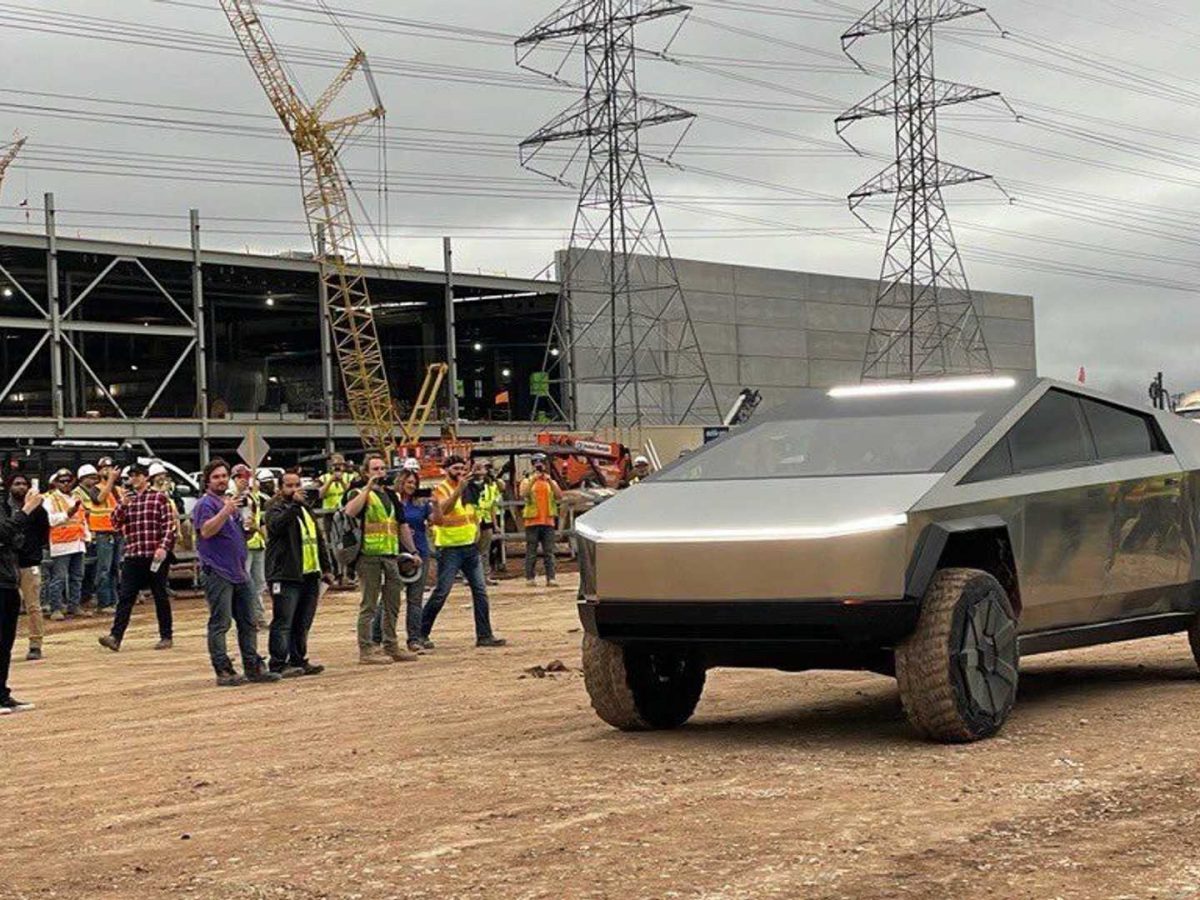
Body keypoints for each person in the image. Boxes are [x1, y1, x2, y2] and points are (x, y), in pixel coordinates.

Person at [193, 459, 281, 686]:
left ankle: (252, 666)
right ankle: (223, 669)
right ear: (208, 481)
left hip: (239, 571)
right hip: (218, 571)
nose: (221, 480)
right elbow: (206, 531)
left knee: (248, 620)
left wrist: (248, 530)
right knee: (220, 622)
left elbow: (237, 536)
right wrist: (226, 511)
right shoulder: (206, 504)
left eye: (224, 476)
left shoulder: (230, 503)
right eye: (216, 477)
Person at [420, 455, 506, 648]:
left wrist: (475, 532)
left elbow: (473, 513)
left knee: (480, 591)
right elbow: (443, 511)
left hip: (469, 547)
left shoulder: (469, 490)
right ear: (447, 470)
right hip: (450, 548)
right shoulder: (441, 489)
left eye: (462, 468)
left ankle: (484, 635)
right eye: (455, 469)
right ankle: (420, 633)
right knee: (442, 592)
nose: (460, 472)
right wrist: (458, 490)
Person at [342, 454, 417, 664]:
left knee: (393, 602)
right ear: (365, 472)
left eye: (383, 469)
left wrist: (413, 552)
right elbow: (350, 511)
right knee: (369, 604)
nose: (380, 473)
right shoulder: (358, 493)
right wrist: (367, 487)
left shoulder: (392, 496)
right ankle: (366, 649)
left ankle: (391, 645)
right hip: (368, 556)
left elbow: (401, 525)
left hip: (390, 555)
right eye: (375, 469)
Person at [98, 463, 176, 653]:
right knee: (125, 597)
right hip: (133, 554)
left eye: (137, 475)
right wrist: (123, 505)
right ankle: (115, 636)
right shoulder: (127, 500)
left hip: (154, 554)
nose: (134, 479)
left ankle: (166, 635)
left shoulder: (159, 498)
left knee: (160, 595)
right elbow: (115, 523)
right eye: (131, 476)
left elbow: (168, 525)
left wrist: (163, 547)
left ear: (145, 477)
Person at [264, 470, 331, 677]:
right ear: (280, 488)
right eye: (289, 486)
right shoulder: (275, 508)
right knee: (283, 620)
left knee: (303, 621)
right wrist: (294, 504)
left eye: (297, 485)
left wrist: (327, 567)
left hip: (309, 573)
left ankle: (298, 659)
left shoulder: (305, 509)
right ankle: (277, 663)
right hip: (286, 573)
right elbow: (277, 526)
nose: (294, 490)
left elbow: (317, 538)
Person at [371, 469, 432, 653]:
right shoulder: (391, 502)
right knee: (388, 598)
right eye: (409, 482)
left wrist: (435, 505)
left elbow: (436, 521)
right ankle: (377, 638)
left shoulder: (421, 504)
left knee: (415, 599)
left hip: (419, 554)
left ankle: (414, 639)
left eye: (415, 482)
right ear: (400, 482)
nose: (412, 486)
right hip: (396, 554)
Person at [0, 483, 41, 715]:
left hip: (8, 578)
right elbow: (4, 532)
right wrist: (26, 510)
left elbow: (14, 538)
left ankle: (2, 695)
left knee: (5, 643)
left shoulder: (4, 503)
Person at [5, 474, 47, 662]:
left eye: (24, 484)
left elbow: (44, 534)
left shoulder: (37, 509)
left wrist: (33, 552)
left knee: (33, 605)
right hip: (6, 564)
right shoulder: (5, 507)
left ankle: (35, 644)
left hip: (28, 562)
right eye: (17, 484)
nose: (21, 487)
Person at [43, 468, 91, 620]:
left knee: (77, 576)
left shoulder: (75, 498)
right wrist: (67, 514)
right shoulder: (50, 499)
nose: (65, 484)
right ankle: (55, 608)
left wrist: (87, 537)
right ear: (56, 483)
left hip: (77, 542)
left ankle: (74, 605)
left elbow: (82, 519)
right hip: (61, 543)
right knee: (59, 578)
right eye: (62, 481)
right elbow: (49, 520)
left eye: (68, 481)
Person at [75, 461, 122, 612]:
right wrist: (111, 480)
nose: (109, 471)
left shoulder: (118, 489)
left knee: (114, 568)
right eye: (105, 468)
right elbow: (99, 499)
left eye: (111, 468)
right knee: (104, 569)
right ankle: (104, 603)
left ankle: (114, 600)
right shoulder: (96, 489)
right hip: (102, 533)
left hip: (116, 531)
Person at [230, 464, 269, 628]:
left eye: (246, 477)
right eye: (241, 478)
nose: (244, 481)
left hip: (257, 542)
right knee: (245, 583)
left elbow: (259, 518)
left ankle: (258, 616)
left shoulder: (253, 496)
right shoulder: (232, 497)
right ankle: (247, 617)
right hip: (244, 543)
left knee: (259, 583)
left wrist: (263, 535)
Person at [519, 452, 563, 587]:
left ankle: (551, 578)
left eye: (542, 464)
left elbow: (559, 496)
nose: (539, 467)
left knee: (549, 552)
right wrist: (534, 479)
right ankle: (530, 577)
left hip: (548, 522)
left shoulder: (550, 482)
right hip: (532, 522)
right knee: (531, 552)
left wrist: (549, 480)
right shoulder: (527, 481)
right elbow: (523, 493)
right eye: (537, 464)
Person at [318, 453, 353, 585]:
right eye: (335, 466)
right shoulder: (324, 478)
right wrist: (330, 481)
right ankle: (336, 572)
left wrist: (342, 481)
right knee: (331, 544)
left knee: (348, 543)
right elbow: (320, 495)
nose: (338, 468)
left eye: (340, 465)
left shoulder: (350, 476)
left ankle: (349, 573)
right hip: (330, 515)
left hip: (346, 514)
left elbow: (350, 493)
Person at [474, 461, 503, 586]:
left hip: (486, 520)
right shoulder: (469, 485)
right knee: (472, 550)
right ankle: (470, 576)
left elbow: (492, 506)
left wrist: (495, 525)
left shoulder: (491, 486)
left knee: (485, 550)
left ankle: (485, 576)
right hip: (473, 520)